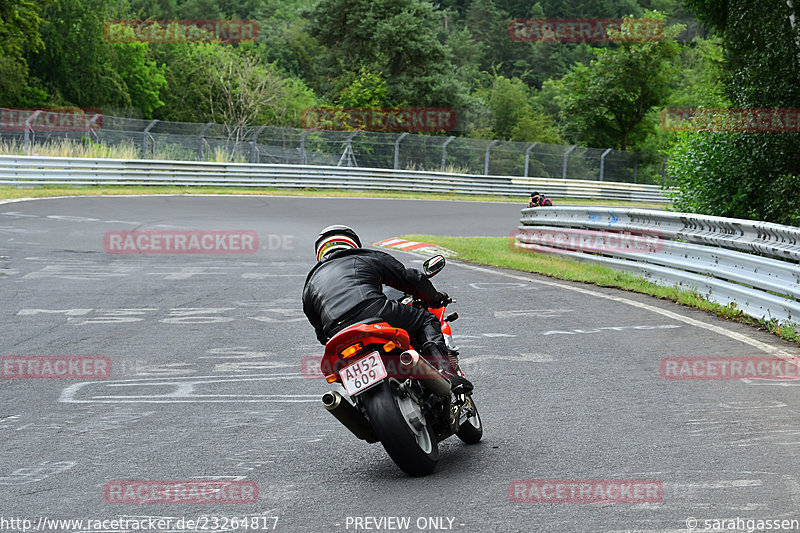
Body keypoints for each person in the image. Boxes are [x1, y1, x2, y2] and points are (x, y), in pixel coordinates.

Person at [302, 225, 473, 392]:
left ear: (320, 253)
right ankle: (445, 373)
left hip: (336, 331)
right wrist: (435, 297)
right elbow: (409, 279)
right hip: (373, 310)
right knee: (426, 319)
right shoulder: (364, 257)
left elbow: (319, 329)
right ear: (352, 244)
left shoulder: (310, 284)